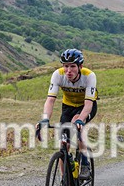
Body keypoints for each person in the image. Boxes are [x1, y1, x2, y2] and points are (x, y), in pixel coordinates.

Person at [35, 48, 97, 178]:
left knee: (77, 124)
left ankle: (85, 163)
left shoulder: (89, 76)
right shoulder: (58, 75)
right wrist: (45, 119)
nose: (68, 71)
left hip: (85, 106)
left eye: (73, 66)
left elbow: (88, 104)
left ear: (80, 66)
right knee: (64, 143)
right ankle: (64, 180)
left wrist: (81, 119)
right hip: (67, 106)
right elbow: (50, 100)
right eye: (66, 66)